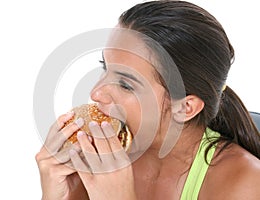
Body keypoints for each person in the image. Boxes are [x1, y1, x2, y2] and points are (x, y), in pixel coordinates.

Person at [35, 1, 260, 199]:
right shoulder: (101, 158)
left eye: (125, 84)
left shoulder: (245, 183)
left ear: (185, 107)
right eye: (105, 67)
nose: (96, 93)